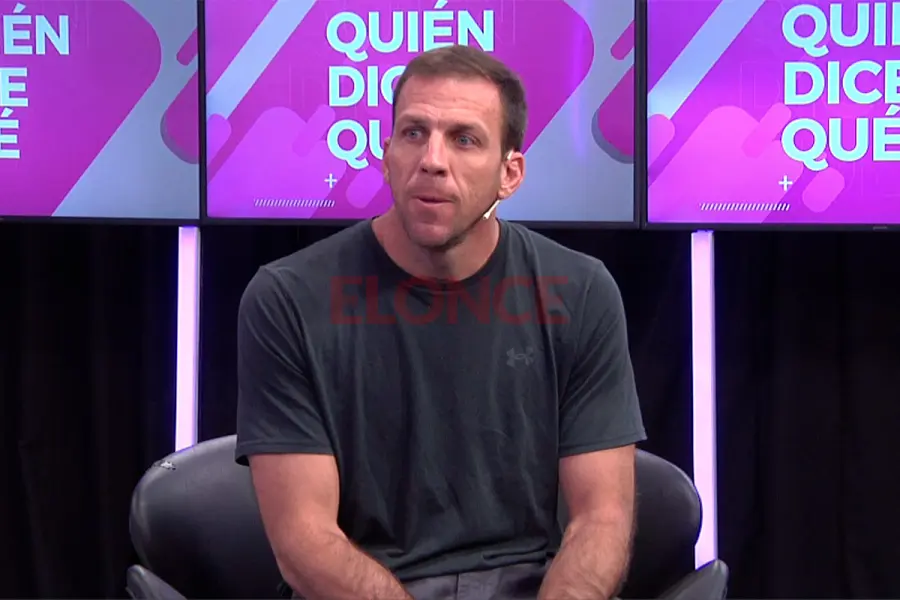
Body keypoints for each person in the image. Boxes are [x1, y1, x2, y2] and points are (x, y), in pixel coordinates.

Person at [235, 44, 646, 600]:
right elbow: (304, 541)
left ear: (510, 174)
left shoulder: (581, 293)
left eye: (464, 139)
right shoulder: (287, 299)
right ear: (386, 157)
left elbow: (601, 519)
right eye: (413, 133)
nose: (432, 160)